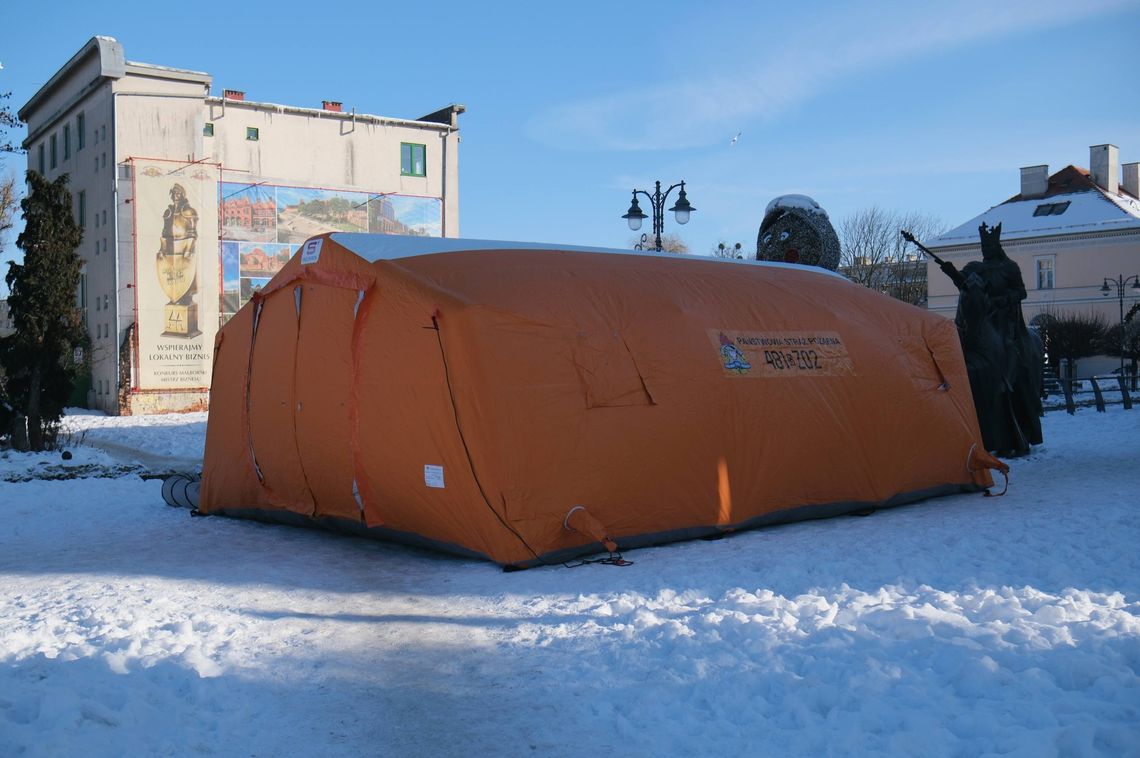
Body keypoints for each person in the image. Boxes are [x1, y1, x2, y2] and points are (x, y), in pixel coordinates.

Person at [940, 222, 1043, 456]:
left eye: (990, 245)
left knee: (1010, 347)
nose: (986, 249)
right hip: (981, 318)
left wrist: (1002, 300)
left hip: (1005, 320)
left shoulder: (1010, 267)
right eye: (983, 246)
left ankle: (1008, 382)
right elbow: (963, 283)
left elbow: (1021, 292)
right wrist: (949, 270)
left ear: (997, 246)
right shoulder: (975, 267)